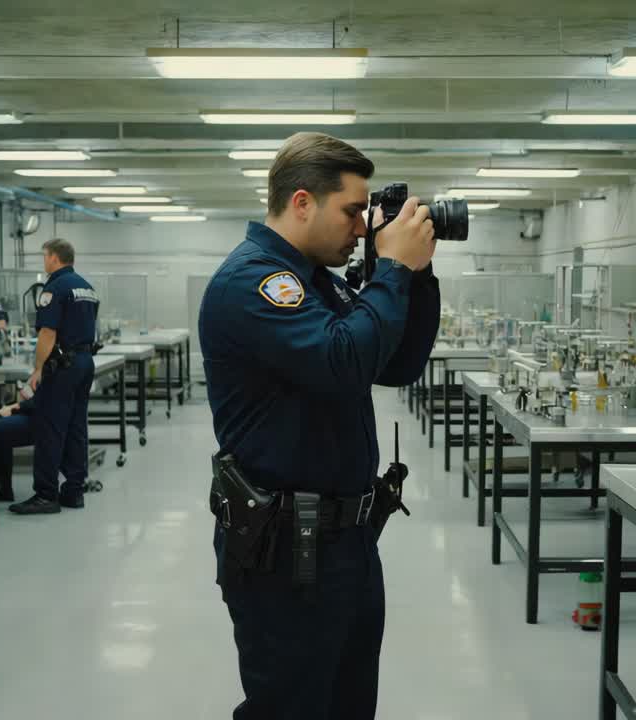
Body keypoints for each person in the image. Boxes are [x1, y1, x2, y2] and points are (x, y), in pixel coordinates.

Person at [199, 131, 441, 719]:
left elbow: (398, 364)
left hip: (348, 542)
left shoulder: (317, 281)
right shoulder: (256, 283)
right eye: (353, 211)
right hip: (287, 551)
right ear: (302, 202)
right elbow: (342, 363)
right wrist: (390, 274)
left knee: (349, 705)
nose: (362, 227)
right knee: (293, 707)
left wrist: (413, 276)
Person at [8, 238, 100, 515]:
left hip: (62, 366)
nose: (44, 261)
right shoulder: (88, 288)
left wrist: (38, 369)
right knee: (76, 427)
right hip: (85, 362)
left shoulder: (54, 287)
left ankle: (46, 494)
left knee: (50, 428)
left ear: (54, 258)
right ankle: (74, 490)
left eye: (45, 256)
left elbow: (48, 333)